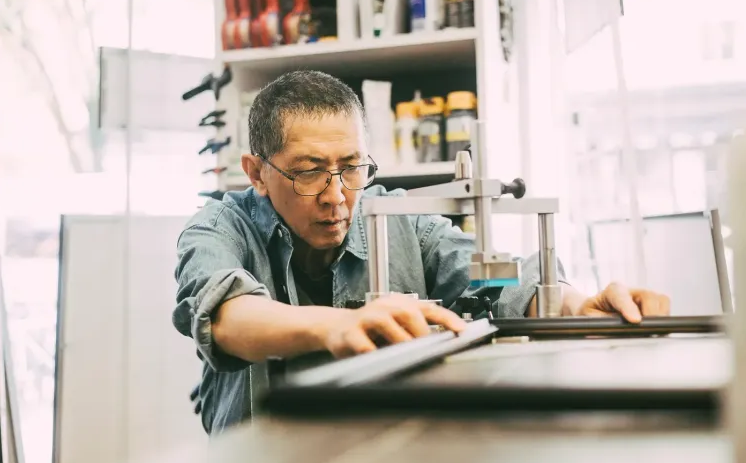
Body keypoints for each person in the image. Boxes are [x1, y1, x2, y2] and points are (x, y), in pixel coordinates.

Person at [173, 70, 671, 434]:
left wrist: (573, 304)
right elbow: (224, 317)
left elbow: (492, 282)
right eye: (308, 172)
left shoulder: (399, 219)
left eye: (351, 167)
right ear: (257, 172)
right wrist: (337, 324)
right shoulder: (219, 227)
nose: (336, 195)